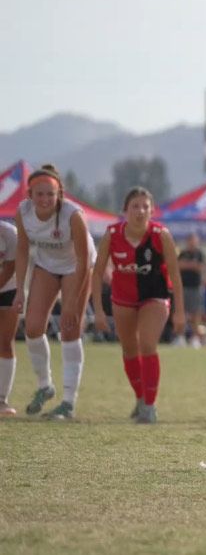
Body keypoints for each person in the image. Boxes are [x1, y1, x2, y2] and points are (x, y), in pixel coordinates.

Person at [90, 188, 185, 423]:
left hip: (155, 297)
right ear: (124, 211)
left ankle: (149, 407)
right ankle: (141, 398)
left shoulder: (161, 235)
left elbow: (175, 274)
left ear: (152, 211)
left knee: (147, 344)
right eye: (135, 206)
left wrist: (180, 312)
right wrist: (98, 311)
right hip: (122, 299)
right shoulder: (112, 234)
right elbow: (97, 272)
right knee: (129, 350)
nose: (140, 211)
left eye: (145, 206)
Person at [14, 164, 96, 420]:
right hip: (47, 265)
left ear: (59, 193)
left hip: (76, 267)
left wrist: (71, 303)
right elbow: (22, 251)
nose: (46, 199)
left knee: (70, 328)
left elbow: (83, 261)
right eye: (40, 194)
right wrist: (19, 291)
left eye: (51, 194)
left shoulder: (73, 215)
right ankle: (45, 386)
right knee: (33, 327)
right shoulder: (23, 212)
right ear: (30, 195)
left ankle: (68, 402)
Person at [0, 221, 19, 417]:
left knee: (5, 343)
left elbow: (9, 270)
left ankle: (2, 399)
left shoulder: (9, 233)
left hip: (8, 289)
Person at [176, 233, 205, 347]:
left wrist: (187, 265)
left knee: (196, 313)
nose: (192, 243)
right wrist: (191, 265)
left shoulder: (199, 253)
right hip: (183, 287)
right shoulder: (183, 253)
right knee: (181, 312)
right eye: (190, 240)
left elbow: (200, 267)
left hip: (196, 287)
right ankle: (180, 337)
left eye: (194, 240)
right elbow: (178, 266)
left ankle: (195, 338)